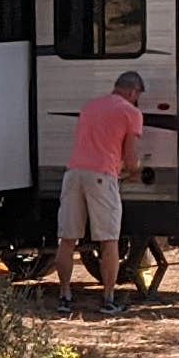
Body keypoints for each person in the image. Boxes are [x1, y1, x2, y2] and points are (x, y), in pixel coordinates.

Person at [59, 69, 147, 311]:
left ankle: (65, 296)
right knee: (109, 239)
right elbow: (130, 160)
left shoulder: (90, 106)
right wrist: (138, 170)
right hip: (101, 176)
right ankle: (108, 299)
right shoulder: (131, 113)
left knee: (67, 238)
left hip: (73, 173)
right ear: (133, 92)